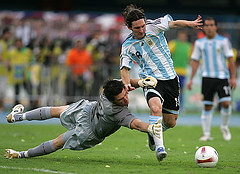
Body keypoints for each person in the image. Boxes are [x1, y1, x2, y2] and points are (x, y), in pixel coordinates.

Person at [120, 4, 203, 162]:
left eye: (143, 25)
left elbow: (174, 23)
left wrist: (190, 24)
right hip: (151, 80)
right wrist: (125, 85)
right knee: (155, 108)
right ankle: (160, 148)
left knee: (170, 122)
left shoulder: (153, 26)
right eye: (137, 28)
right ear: (129, 27)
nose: (142, 30)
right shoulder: (127, 46)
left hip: (171, 79)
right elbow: (124, 68)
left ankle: (152, 132)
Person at [5, 79, 162, 161]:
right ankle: (17, 117)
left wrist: (140, 83)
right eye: (121, 99)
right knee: (56, 111)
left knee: (58, 140)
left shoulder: (112, 91)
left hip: (89, 126)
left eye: (125, 95)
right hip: (88, 117)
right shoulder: (116, 111)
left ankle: (21, 154)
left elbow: (136, 122)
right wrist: (150, 128)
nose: (126, 100)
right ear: (111, 98)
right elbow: (136, 124)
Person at [187, 17, 236, 141]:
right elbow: (195, 61)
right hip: (207, 77)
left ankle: (224, 127)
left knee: (226, 103)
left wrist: (233, 77)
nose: (209, 28)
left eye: (211, 25)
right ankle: (206, 134)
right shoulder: (199, 43)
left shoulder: (223, 41)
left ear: (216, 27)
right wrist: (191, 79)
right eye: (207, 25)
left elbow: (230, 59)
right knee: (207, 106)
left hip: (222, 77)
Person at [169, 30, 192, 111]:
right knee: (172, 89)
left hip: (183, 71)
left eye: (184, 36)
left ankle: (181, 106)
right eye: (181, 35)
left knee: (181, 89)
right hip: (173, 71)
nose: (182, 37)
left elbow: (190, 59)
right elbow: (167, 54)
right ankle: (171, 105)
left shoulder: (189, 46)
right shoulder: (173, 44)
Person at [8, 38, 33, 105]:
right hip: (16, 76)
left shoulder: (27, 51)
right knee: (17, 91)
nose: (18, 45)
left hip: (25, 75)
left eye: (19, 43)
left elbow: (32, 60)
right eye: (17, 44)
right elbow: (9, 61)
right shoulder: (12, 52)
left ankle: (32, 103)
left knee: (29, 90)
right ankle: (16, 105)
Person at [0, 27, 11, 110]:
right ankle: (1, 106)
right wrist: (5, 62)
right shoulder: (1, 44)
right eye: (8, 34)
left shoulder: (5, 44)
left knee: (2, 90)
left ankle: (1, 106)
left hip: (3, 71)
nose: (9, 36)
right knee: (1, 90)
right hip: (1, 70)